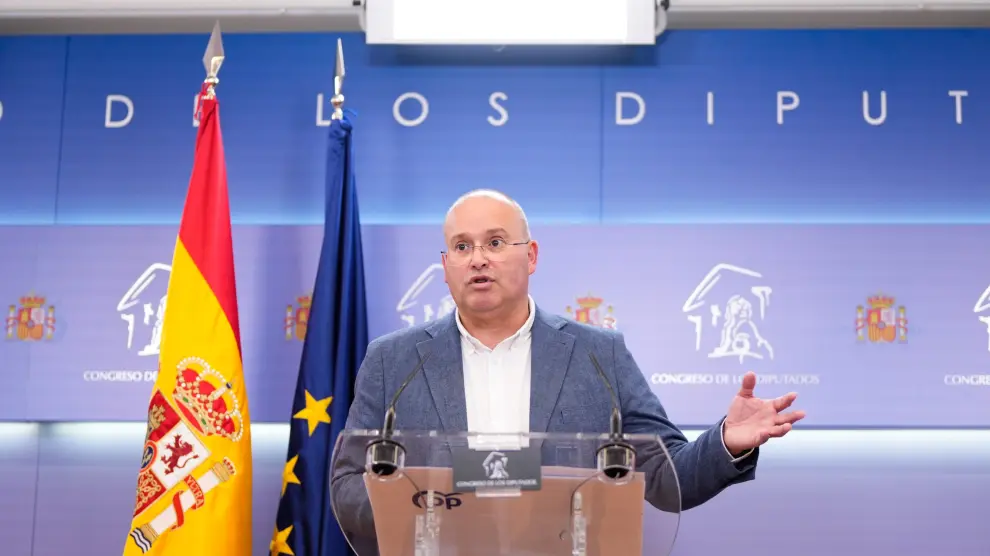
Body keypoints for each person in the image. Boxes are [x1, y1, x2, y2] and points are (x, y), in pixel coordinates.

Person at [331, 189, 805, 548]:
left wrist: (726, 442)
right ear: (445, 264)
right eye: (461, 246)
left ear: (531, 255)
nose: (477, 259)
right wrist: (435, 507)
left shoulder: (599, 353)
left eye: (495, 242)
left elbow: (666, 477)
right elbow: (347, 484)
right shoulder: (393, 360)